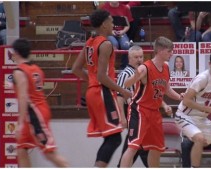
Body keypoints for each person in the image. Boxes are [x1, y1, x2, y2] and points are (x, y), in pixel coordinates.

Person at [72, 9, 131, 167]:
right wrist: (123, 91)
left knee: (110, 137)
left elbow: (76, 69)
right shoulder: (106, 44)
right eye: (111, 21)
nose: (113, 24)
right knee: (115, 138)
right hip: (102, 92)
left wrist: (91, 81)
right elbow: (102, 77)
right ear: (104, 25)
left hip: (93, 91)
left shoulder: (90, 42)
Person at [120, 36, 184, 167]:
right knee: (133, 147)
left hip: (154, 112)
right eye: (169, 51)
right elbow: (126, 83)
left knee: (156, 149)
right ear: (160, 50)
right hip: (140, 110)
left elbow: (166, 89)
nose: (172, 53)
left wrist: (179, 97)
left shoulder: (166, 68)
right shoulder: (145, 68)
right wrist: (136, 76)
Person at [11, 38, 68, 167]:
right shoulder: (36, 68)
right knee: (21, 149)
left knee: (49, 152)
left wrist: (19, 123)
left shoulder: (19, 71)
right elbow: (31, 88)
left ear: (16, 52)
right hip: (40, 109)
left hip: (35, 113)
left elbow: (23, 96)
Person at [175, 50, 211, 167]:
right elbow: (186, 101)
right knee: (199, 139)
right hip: (185, 116)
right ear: (209, 64)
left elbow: (208, 100)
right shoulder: (202, 78)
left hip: (201, 118)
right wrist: (208, 109)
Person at [101, 1, 133, 69]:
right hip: (109, 33)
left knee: (126, 45)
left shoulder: (125, 8)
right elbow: (102, 24)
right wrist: (111, 31)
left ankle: (124, 67)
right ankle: (111, 67)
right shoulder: (104, 8)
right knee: (114, 44)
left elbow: (127, 25)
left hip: (122, 32)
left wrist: (122, 31)